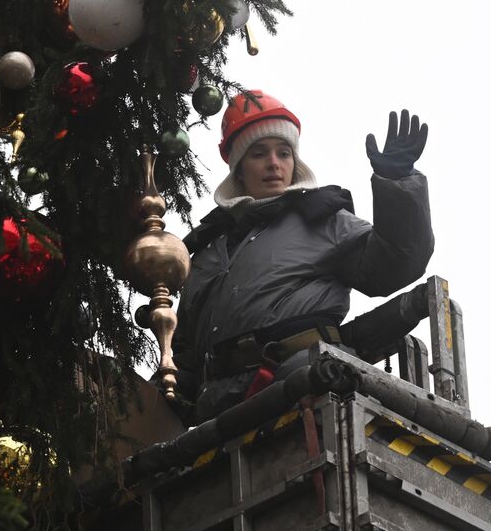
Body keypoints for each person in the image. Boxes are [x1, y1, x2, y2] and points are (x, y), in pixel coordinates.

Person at [172, 91, 434, 424]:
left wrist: (398, 181)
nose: (274, 163)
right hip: (217, 418)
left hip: (302, 394)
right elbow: (183, 358)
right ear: (238, 169)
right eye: (259, 153)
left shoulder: (322, 220)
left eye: (284, 153)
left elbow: (396, 262)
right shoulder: (205, 254)